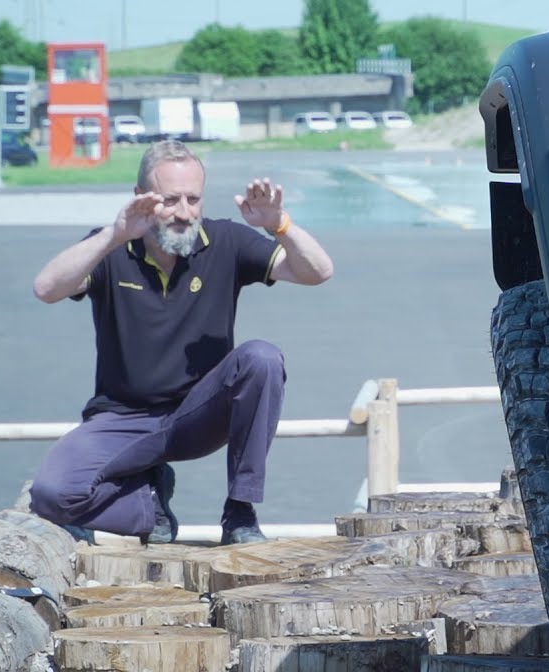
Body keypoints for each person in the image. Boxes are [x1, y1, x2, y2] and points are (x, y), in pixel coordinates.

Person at [27, 139, 334, 546]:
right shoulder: (113, 249)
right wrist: (112, 235)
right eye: (170, 200)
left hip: (199, 414)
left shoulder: (226, 240)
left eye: (193, 199)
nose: (184, 213)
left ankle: (240, 511)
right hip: (123, 418)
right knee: (51, 495)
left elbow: (317, 272)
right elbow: (47, 288)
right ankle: (147, 499)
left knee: (261, 358)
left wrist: (280, 225)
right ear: (141, 197)